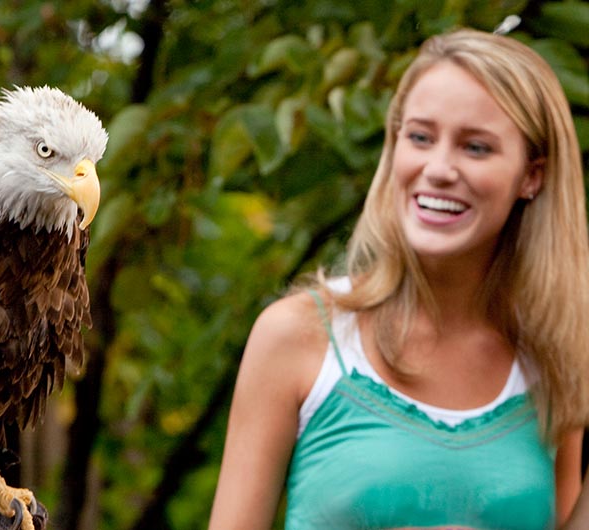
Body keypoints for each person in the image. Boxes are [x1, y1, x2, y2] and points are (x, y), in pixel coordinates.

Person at [209, 28, 588, 529]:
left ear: (531, 176)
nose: (438, 168)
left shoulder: (554, 356)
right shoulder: (297, 336)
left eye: (475, 147)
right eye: (420, 137)